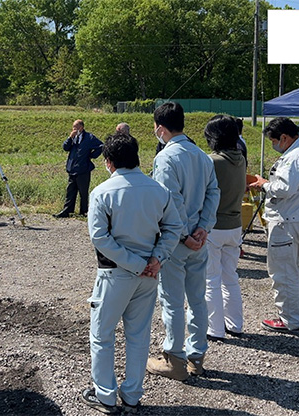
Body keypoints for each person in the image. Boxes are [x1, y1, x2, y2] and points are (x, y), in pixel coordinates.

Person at [80, 132, 181, 414]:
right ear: (137, 157)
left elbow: (100, 238)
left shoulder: (102, 192)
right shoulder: (158, 190)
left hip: (115, 274)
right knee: (138, 334)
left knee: (102, 335)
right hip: (149, 275)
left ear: (109, 162)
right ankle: (133, 394)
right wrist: (156, 258)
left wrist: (136, 263)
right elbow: (174, 227)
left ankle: (105, 395)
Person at [146, 102, 220, 379]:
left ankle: (173, 358)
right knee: (198, 298)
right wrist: (203, 228)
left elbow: (169, 200)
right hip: (200, 240)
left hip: (177, 242)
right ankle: (196, 356)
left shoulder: (166, 158)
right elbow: (214, 193)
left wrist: (184, 235)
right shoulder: (202, 155)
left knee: (172, 300)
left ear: (161, 128)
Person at [249, 117, 299, 332]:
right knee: (292, 269)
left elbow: (284, 188)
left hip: (286, 222)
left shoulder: (295, 157)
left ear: (285, 137)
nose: (273, 144)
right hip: (298, 218)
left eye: (274, 140)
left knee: (282, 273)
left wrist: (264, 184)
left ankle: (288, 318)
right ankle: (298, 312)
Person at [203, 115, 247, 341]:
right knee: (230, 277)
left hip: (214, 226)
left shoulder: (212, 161)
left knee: (211, 279)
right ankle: (235, 324)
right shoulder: (240, 158)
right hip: (235, 225)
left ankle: (215, 328)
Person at [54, 119, 103, 218]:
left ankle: (84, 211)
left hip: (83, 169)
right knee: (70, 191)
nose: (74, 129)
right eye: (73, 127)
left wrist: (91, 155)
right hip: (72, 168)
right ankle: (67, 211)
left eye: (76, 127)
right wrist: (70, 138)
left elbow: (101, 146)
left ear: (81, 127)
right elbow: (65, 147)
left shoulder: (89, 137)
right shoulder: (73, 138)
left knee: (83, 192)